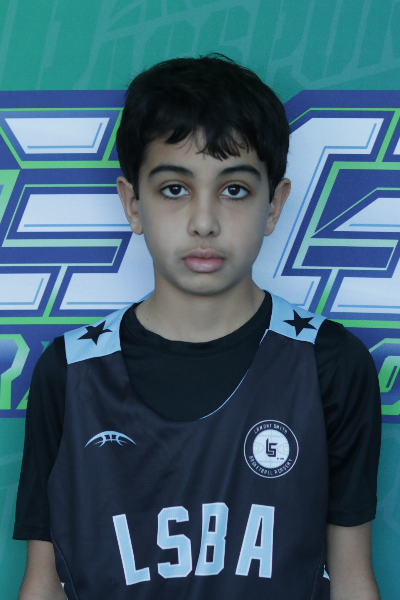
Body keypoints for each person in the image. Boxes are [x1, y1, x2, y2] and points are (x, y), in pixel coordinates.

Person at [14, 55, 381, 599]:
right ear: (132, 203)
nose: (204, 222)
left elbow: (351, 576)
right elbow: (43, 583)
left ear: (274, 205)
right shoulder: (71, 372)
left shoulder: (329, 363)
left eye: (234, 190)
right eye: (174, 189)